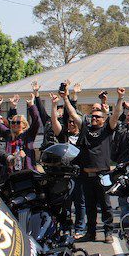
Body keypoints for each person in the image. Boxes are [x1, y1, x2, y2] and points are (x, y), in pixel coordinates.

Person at [65, 85, 124, 243]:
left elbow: (116, 114)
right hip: (86, 175)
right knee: (90, 207)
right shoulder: (85, 128)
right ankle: (90, 233)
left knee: (105, 206)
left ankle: (108, 233)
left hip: (103, 174)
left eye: (98, 116)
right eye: (92, 116)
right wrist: (65, 98)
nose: (94, 118)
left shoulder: (107, 129)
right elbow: (72, 113)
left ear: (103, 119)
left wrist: (119, 98)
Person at [50, 92, 86, 238]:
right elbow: (54, 122)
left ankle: (80, 228)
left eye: (74, 121)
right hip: (64, 174)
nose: (71, 123)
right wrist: (53, 105)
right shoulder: (63, 135)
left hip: (79, 173)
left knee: (80, 203)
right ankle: (65, 227)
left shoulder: (84, 135)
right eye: (69, 121)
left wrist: (71, 98)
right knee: (65, 203)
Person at [0, 92, 42, 173]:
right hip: (10, 172)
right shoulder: (8, 134)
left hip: (26, 171)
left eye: (18, 122)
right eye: (13, 122)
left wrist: (31, 105)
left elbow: (36, 121)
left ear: (24, 124)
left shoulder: (28, 134)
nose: (15, 124)